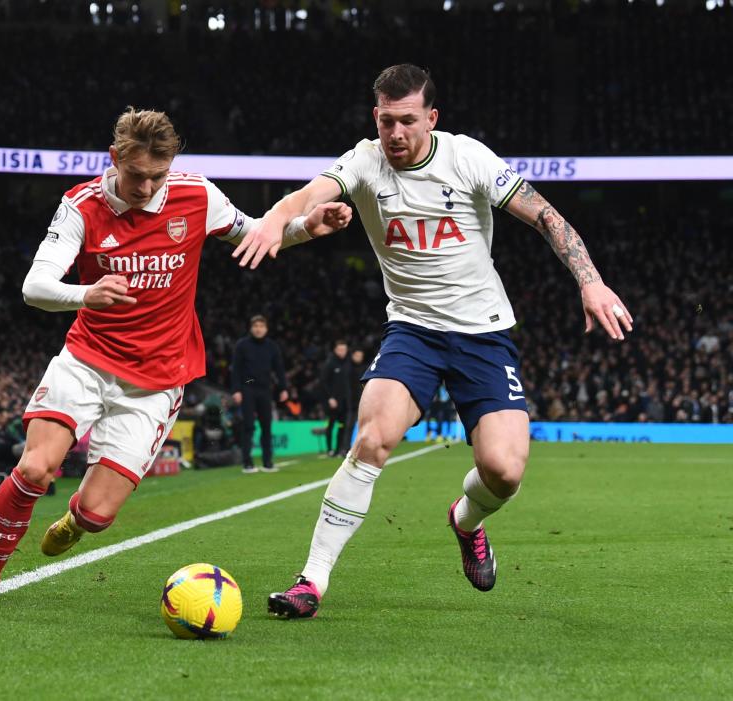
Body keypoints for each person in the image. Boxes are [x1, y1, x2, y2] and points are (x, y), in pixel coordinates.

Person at [232, 64, 633, 618]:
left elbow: (545, 215)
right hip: (412, 332)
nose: (394, 134)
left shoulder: (468, 158)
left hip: (483, 333)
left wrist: (591, 281)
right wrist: (278, 222)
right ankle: (311, 582)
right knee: (372, 438)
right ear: (375, 118)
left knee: (505, 470)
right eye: (385, 121)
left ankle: (465, 521)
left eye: (407, 122)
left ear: (432, 118)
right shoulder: (364, 160)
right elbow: (308, 195)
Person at [0, 107, 351, 621]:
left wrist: (305, 227)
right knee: (34, 467)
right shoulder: (82, 205)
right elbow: (34, 286)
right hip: (87, 360)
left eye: (156, 176)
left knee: (97, 515)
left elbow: (253, 232)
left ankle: (74, 520)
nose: (145, 187)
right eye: (135, 174)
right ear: (114, 158)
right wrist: (85, 294)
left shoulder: (197, 195)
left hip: (157, 381)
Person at [231, 315, 289, 474]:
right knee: (248, 426)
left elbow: (279, 369)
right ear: (251, 328)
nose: (258, 329)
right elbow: (235, 369)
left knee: (266, 427)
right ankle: (247, 463)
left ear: (266, 329)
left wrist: (283, 388)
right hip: (247, 389)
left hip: (265, 390)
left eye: (261, 326)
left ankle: (267, 462)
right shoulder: (242, 345)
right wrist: (236, 390)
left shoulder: (272, 347)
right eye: (256, 326)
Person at [319, 340, 350, 456]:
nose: (342, 352)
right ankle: (329, 449)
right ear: (335, 350)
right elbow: (323, 382)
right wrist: (330, 398)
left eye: (344, 350)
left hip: (344, 402)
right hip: (332, 402)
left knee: (342, 426)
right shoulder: (330, 364)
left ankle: (339, 449)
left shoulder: (347, 364)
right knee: (330, 425)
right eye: (340, 349)